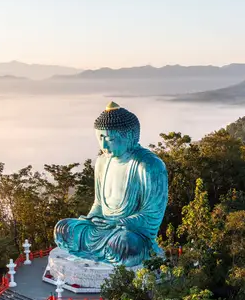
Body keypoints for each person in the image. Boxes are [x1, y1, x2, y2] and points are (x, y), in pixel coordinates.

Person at [54, 102, 168, 267]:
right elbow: (99, 203)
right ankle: (99, 251)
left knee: (125, 246)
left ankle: (115, 252)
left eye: (109, 139)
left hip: (129, 232)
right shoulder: (102, 162)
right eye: (100, 138)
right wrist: (92, 218)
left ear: (129, 135)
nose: (104, 146)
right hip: (103, 227)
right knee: (63, 228)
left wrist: (120, 223)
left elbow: (152, 215)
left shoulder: (149, 165)